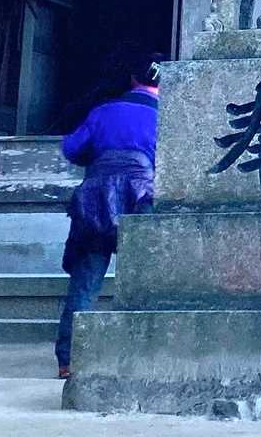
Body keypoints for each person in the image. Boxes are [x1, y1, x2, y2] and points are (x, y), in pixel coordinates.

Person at [54, 47, 163, 379]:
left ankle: (69, 360)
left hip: (97, 198)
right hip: (144, 196)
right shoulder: (170, 115)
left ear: (132, 78)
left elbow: (71, 148)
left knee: (86, 282)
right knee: (146, 280)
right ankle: (144, 355)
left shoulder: (103, 111)